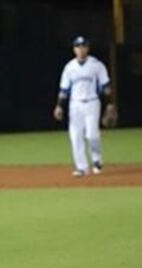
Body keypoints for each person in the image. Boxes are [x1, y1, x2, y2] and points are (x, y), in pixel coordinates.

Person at [53, 36, 114, 177]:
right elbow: (64, 89)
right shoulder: (69, 67)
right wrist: (59, 106)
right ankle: (82, 167)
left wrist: (109, 103)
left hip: (92, 103)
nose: (81, 49)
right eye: (78, 47)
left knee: (92, 135)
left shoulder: (96, 65)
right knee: (75, 136)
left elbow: (106, 86)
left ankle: (97, 160)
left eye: (83, 46)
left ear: (88, 48)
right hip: (75, 105)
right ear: (74, 49)